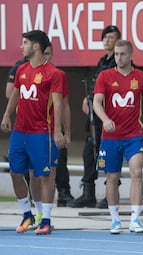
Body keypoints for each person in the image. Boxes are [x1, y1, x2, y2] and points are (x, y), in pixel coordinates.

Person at [1, 30, 65, 234]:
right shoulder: (21, 70)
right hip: (20, 132)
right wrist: (6, 115)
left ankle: (45, 219)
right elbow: (16, 96)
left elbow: (59, 105)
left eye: (25, 43)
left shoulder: (55, 74)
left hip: (42, 134)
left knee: (44, 176)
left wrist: (57, 132)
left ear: (36, 46)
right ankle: (27, 214)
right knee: (15, 173)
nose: (22, 46)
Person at [93, 39, 143, 234]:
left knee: (136, 172)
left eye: (122, 54)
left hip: (134, 136)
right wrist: (105, 119)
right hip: (110, 137)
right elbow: (96, 103)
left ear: (131, 56)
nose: (119, 58)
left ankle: (135, 218)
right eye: (117, 54)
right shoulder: (105, 76)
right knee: (112, 178)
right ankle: (115, 219)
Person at [68, 25, 121, 208]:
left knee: (108, 151)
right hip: (95, 115)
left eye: (111, 37)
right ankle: (88, 192)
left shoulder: (118, 61)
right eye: (104, 37)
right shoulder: (102, 61)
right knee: (89, 151)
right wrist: (88, 98)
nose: (107, 40)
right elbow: (96, 84)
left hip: (110, 115)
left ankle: (110, 193)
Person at [28, 43, 73, 230]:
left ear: (52, 53)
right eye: (42, 53)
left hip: (51, 133)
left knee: (49, 174)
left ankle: (46, 216)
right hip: (32, 132)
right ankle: (38, 212)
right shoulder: (28, 72)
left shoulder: (57, 76)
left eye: (48, 53)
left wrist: (66, 132)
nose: (44, 57)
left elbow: (65, 106)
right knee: (33, 174)